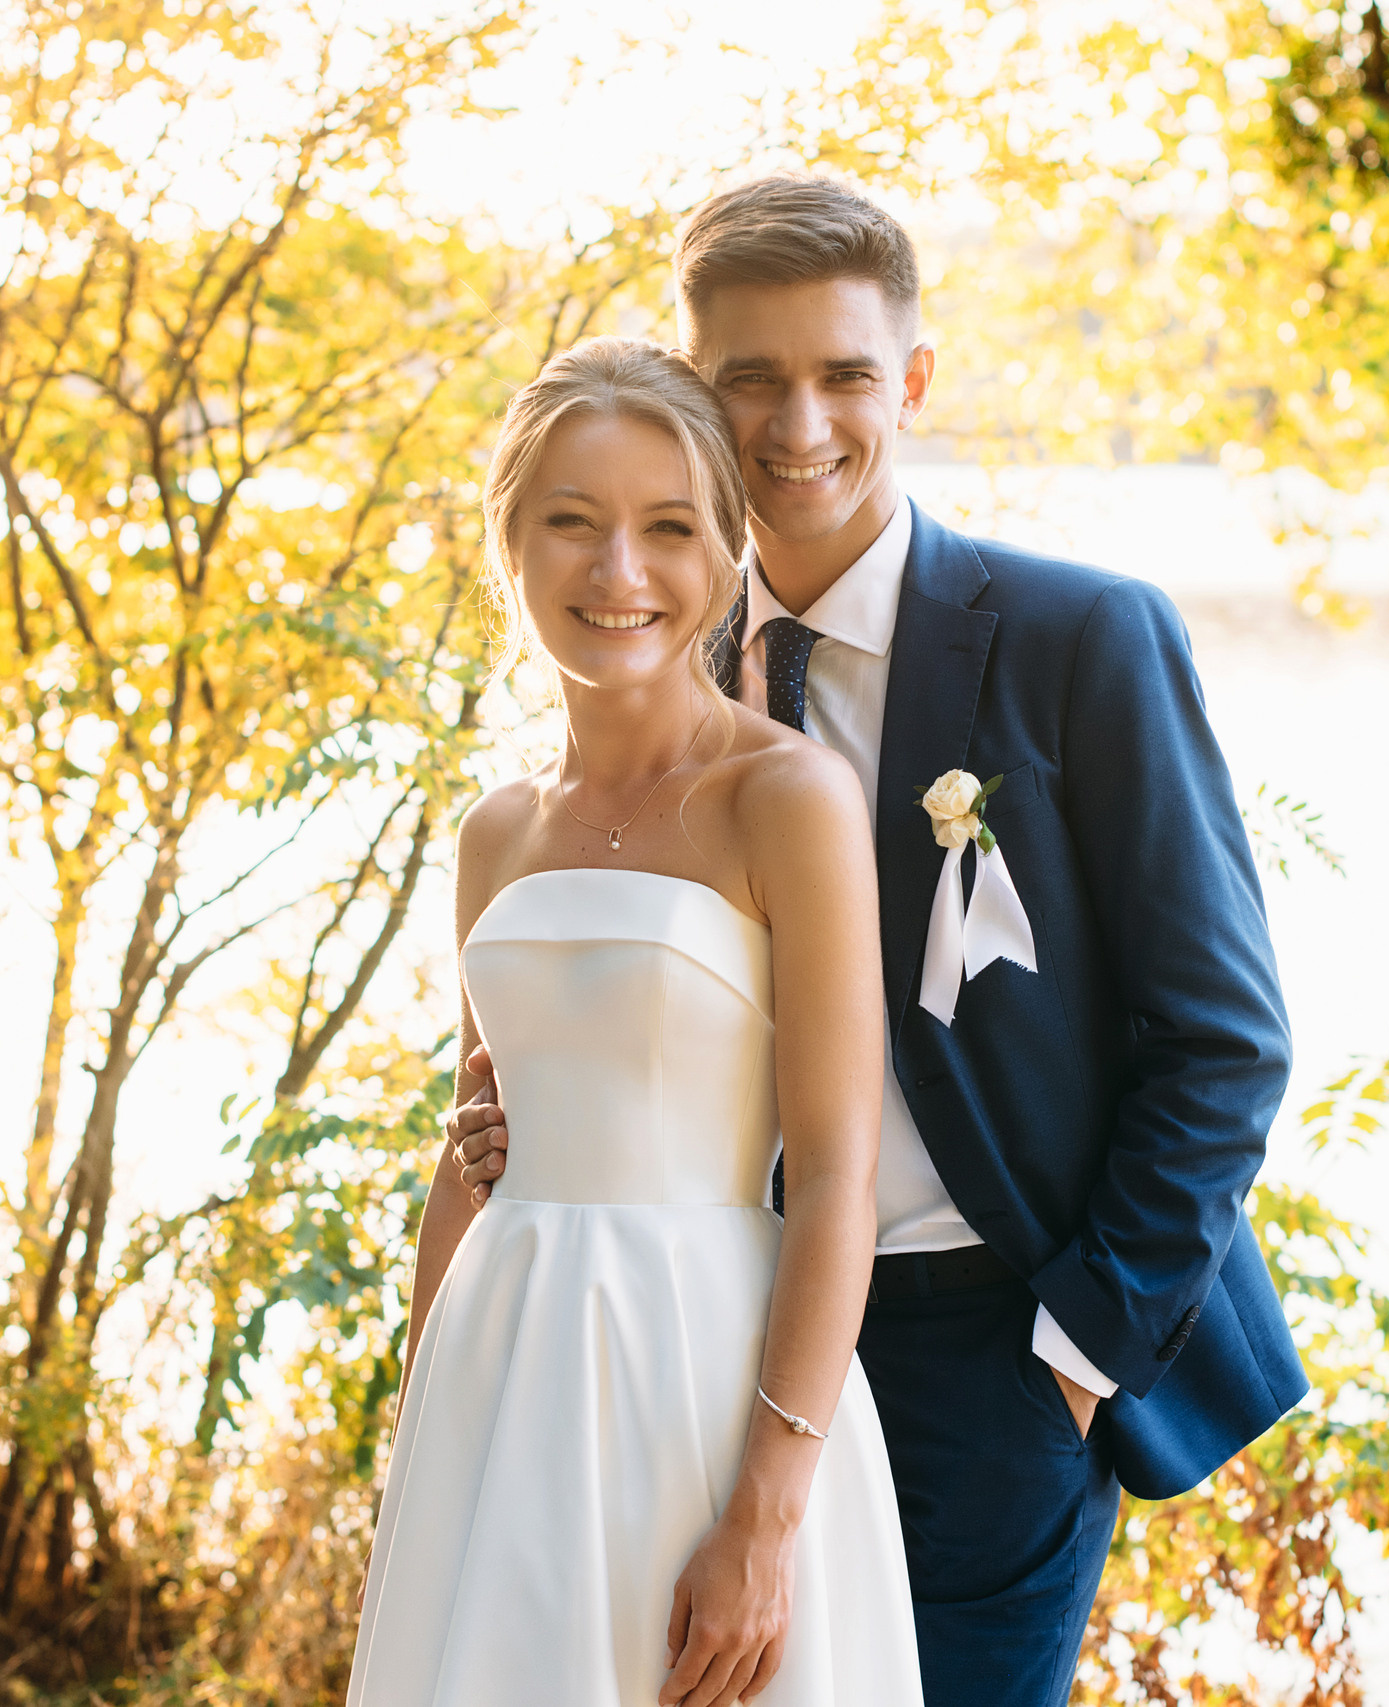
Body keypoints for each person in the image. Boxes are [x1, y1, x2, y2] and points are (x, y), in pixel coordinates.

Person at [450, 176, 1309, 1707]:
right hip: (703, 1340)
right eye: (751, 381)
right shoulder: (653, 640)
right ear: (699, 404)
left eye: (845, 375)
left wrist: (1073, 1352)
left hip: (997, 1350)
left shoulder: (1078, 641)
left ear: (911, 381)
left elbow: (1226, 1040)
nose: (799, 426)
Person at [346, 337, 922, 1706]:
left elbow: (839, 1170)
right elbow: (476, 1143)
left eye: (667, 528)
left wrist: (768, 1514)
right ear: (511, 550)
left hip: (703, 1377)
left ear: (726, 557)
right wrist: (424, 1446)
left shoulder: (784, 798)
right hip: (506, 1380)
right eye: (572, 525)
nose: (619, 575)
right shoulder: (495, 832)